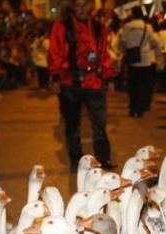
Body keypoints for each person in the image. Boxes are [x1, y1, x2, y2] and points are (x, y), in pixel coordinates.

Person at [48, 0, 116, 170]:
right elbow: (55, 52)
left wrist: (109, 77)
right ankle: (76, 161)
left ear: (91, 6)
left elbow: (103, 54)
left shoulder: (99, 27)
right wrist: (55, 77)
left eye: (85, 4)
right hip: (69, 81)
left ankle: (103, 159)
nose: (81, 9)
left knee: (99, 123)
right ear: (72, 6)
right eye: (78, 5)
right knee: (72, 124)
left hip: (93, 81)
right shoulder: (62, 26)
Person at [120, 8, 160, 118]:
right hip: (145, 60)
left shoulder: (127, 26)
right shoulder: (148, 27)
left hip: (132, 60)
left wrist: (126, 50)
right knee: (143, 85)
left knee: (132, 85)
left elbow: (123, 42)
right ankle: (140, 109)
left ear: (132, 15)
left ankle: (133, 108)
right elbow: (154, 42)